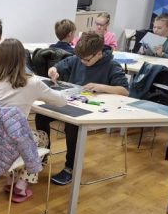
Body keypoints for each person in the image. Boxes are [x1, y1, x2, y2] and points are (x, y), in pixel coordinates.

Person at [35, 32, 129, 186]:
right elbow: (57, 67)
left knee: (73, 126)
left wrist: (101, 87)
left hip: (94, 110)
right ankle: (43, 154)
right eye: (81, 59)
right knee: (41, 116)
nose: (83, 62)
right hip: (74, 103)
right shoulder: (77, 59)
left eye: (87, 59)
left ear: (99, 53)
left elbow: (124, 90)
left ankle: (70, 168)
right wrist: (53, 70)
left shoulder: (112, 66)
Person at [0, 39, 67, 202]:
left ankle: (10, 179)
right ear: (22, 59)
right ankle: (21, 184)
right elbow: (61, 101)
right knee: (41, 138)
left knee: (23, 139)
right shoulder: (32, 83)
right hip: (15, 143)